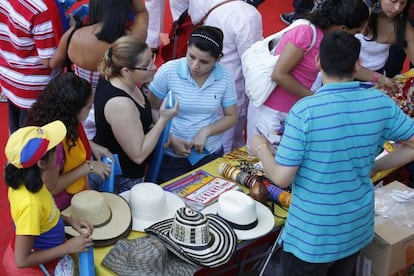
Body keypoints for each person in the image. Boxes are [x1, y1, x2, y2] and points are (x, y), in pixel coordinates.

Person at [250, 31, 414, 276]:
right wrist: (376, 166)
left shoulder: (305, 111)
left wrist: (260, 147)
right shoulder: (380, 103)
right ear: (358, 64)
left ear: (318, 62)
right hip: (354, 227)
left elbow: (281, 178)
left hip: (313, 236)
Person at [246, 0, 370, 151]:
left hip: (295, 109)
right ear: (343, 28)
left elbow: (346, 65)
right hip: (273, 112)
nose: (357, 36)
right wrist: (315, 97)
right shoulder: (306, 33)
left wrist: (380, 78)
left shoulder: (330, 38)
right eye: (356, 32)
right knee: (266, 161)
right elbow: (279, 75)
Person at [148, 25, 238, 183]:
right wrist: (170, 138)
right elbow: (151, 108)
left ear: (218, 59)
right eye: (191, 56)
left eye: (204, 62)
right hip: (170, 155)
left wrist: (206, 131)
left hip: (209, 152)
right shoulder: (169, 71)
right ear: (187, 47)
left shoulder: (225, 77)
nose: (195, 65)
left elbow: (231, 116)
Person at [3, 120, 94, 275]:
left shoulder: (29, 180)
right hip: (46, 264)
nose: (58, 153)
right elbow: (22, 260)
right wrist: (68, 247)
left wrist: (70, 221)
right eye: (54, 151)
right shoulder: (31, 205)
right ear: (41, 164)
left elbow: (47, 213)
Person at [50, 0, 148, 140]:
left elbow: (54, 62)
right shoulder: (130, 41)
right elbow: (142, 12)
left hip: (80, 106)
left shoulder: (73, 34)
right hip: (115, 107)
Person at [92, 36, 178, 193]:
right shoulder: (120, 104)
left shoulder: (119, 78)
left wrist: (160, 132)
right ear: (126, 71)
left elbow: (140, 121)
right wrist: (163, 120)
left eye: (152, 57)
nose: (154, 67)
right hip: (121, 179)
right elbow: (138, 155)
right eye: (146, 65)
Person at [26, 73, 112, 210]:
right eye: (88, 107)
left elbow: (74, 138)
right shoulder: (54, 145)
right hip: (61, 208)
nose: (90, 111)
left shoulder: (56, 118)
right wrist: (88, 167)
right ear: (73, 111)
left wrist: (91, 145)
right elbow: (50, 187)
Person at [188, 0, 262, 153]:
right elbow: (251, 62)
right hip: (233, 90)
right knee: (226, 146)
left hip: (204, 83)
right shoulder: (245, 15)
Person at [0, 0, 65, 133]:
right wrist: (70, 35)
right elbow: (49, 60)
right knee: (33, 142)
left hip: (9, 78)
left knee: (16, 133)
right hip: (34, 90)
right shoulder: (41, 10)